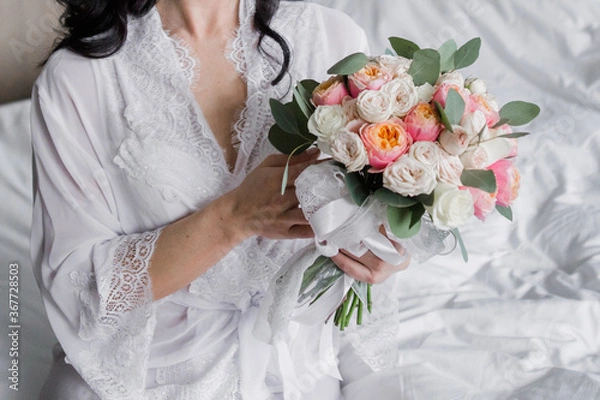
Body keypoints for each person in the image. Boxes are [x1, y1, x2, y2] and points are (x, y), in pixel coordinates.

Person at [30, 0, 410, 398]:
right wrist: (234, 217)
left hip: (300, 376)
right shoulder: (77, 79)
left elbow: (369, 237)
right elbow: (77, 294)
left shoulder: (332, 39)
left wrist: (387, 247)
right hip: (149, 383)